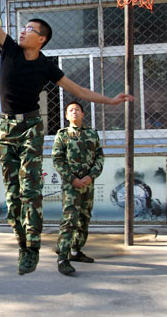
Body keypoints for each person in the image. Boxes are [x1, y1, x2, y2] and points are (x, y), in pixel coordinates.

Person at [0, 0, 133, 275]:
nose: (24, 31)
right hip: (6, 127)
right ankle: (22, 243)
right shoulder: (8, 47)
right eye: (24, 26)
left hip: (32, 127)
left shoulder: (45, 65)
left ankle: (34, 248)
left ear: (42, 39)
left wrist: (109, 101)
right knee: (12, 197)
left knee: (31, 190)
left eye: (31, 29)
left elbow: (78, 90)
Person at [52, 102, 104, 275]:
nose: (74, 112)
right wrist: (72, 179)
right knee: (70, 220)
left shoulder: (92, 134)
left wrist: (90, 177)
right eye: (70, 110)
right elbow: (58, 160)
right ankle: (62, 257)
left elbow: (99, 158)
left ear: (83, 114)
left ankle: (75, 251)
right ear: (66, 116)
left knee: (84, 217)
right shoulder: (62, 135)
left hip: (88, 185)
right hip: (71, 186)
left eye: (77, 110)